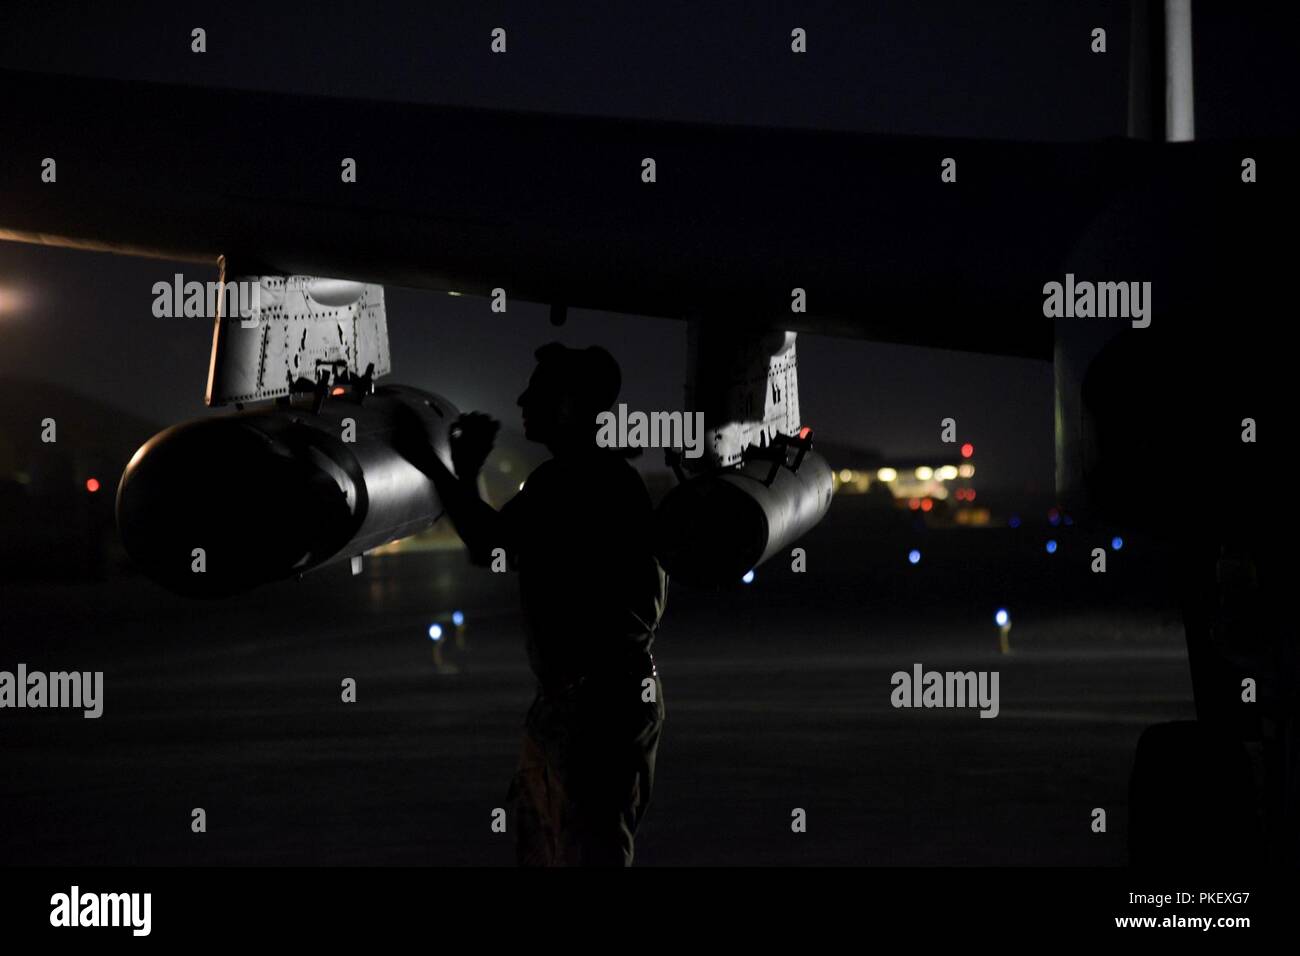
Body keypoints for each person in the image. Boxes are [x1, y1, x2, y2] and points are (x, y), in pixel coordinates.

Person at [397, 343, 667, 866]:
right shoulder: (586, 477)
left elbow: (490, 545)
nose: (522, 399)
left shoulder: (577, 482)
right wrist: (463, 473)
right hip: (582, 706)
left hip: (594, 713)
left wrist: (429, 460)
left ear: (568, 406)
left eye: (537, 391)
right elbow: (498, 544)